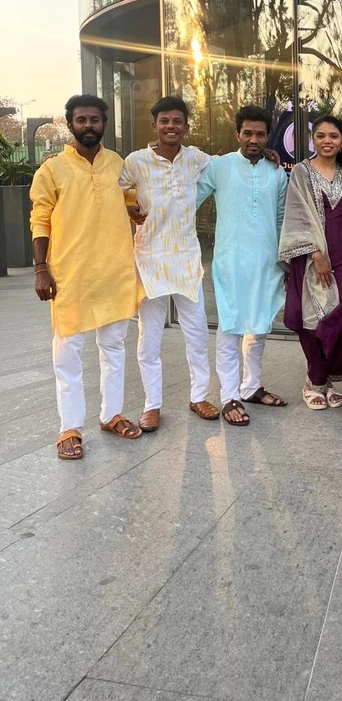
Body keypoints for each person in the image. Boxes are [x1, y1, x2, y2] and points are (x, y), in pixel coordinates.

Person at [29, 94, 143, 460]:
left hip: (113, 271)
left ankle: (111, 415)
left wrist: (134, 211)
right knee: (68, 353)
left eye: (95, 119)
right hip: (71, 274)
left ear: (104, 124)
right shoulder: (52, 169)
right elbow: (40, 219)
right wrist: (41, 268)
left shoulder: (117, 163)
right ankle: (70, 427)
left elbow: (129, 198)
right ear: (70, 124)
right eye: (81, 120)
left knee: (114, 348)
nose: (88, 125)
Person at [119, 96, 219, 432]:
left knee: (197, 332)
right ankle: (152, 405)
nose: (171, 126)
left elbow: (226, 166)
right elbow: (112, 189)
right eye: (164, 121)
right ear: (155, 126)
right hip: (149, 259)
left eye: (177, 121)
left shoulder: (196, 158)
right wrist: (129, 207)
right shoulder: (136, 161)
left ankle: (199, 396)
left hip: (186, 259)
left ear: (186, 127)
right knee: (149, 336)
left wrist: (266, 154)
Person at [196, 105, 288, 425]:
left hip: (267, 260)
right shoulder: (219, 167)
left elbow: (281, 218)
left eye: (260, 134)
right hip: (231, 260)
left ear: (268, 137)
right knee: (231, 327)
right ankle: (229, 396)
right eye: (247, 133)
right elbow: (189, 199)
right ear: (237, 134)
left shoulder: (277, 172)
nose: (253, 139)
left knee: (259, 326)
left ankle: (251, 387)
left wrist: (284, 258)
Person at [279, 116, 342, 410]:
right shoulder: (301, 171)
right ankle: (315, 381)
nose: (327, 141)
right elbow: (296, 212)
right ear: (313, 140)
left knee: (341, 316)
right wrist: (315, 254)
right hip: (311, 255)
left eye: (334, 136)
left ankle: (328, 379)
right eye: (321, 135)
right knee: (311, 317)